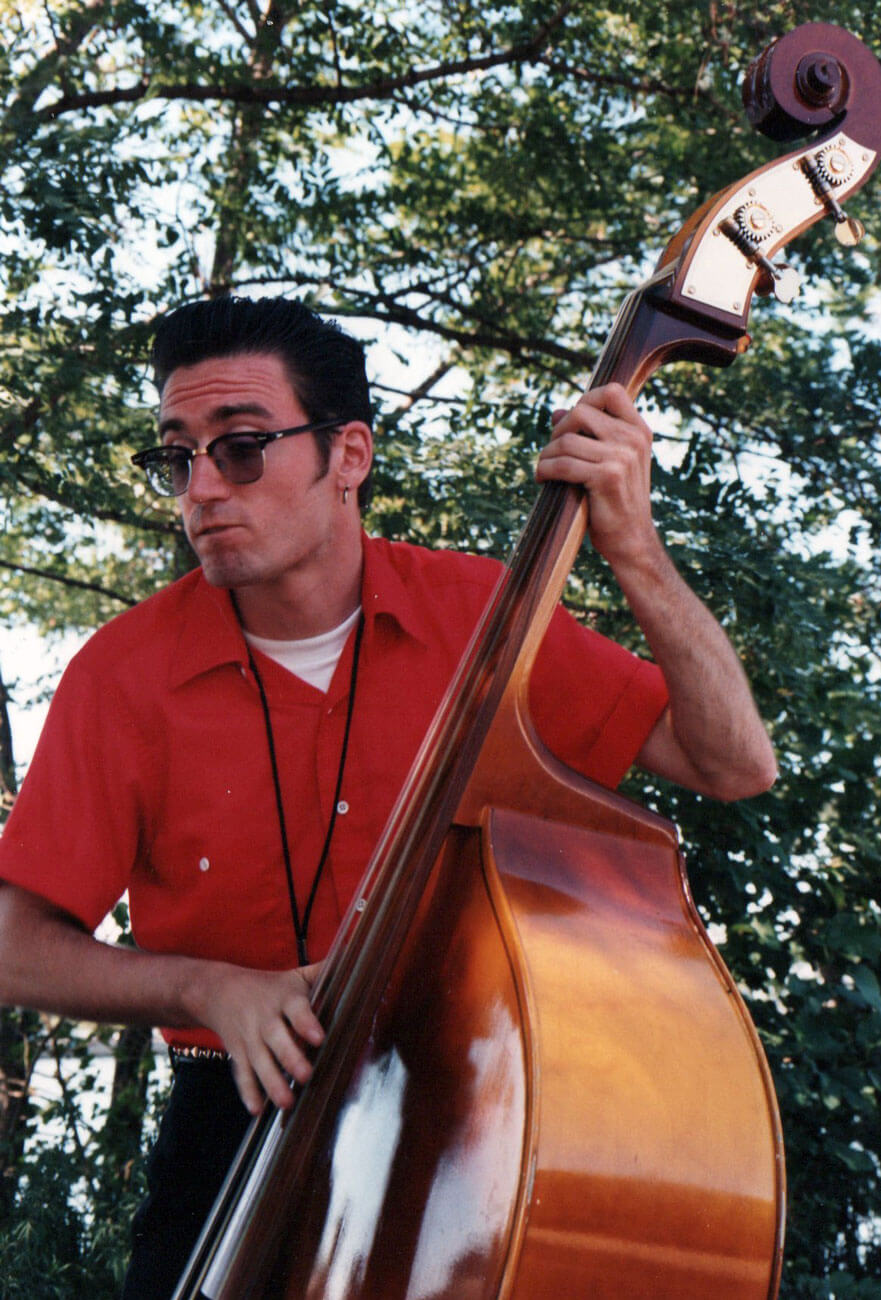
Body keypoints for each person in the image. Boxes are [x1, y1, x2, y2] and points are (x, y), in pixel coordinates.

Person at [0, 295, 776, 1296]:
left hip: (468, 1116)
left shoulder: (484, 617)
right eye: (177, 458)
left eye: (240, 448)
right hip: (227, 1128)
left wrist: (633, 546)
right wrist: (206, 989)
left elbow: (732, 762)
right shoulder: (121, 675)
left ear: (349, 455)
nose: (202, 489)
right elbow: (13, 946)